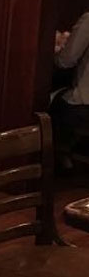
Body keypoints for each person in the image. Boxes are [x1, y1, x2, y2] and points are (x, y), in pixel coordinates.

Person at [52, 11, 89, 169]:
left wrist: (56, 48)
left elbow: (65, 61)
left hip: (83, 107)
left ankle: (61, 155)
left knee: (50, 103)